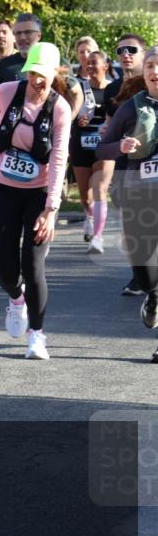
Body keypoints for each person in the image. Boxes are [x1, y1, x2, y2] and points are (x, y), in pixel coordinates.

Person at [0, 43, 72, 360]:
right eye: (32, 73)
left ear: (55, 73)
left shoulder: (60, 109)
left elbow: (59, 158)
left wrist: (51, 209)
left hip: (39, 193)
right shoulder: (6, 92)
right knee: (7, 272)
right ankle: (15, 298)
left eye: (43, 74)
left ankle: (37, 335)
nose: (37, 80)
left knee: (33, 265)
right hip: (3, 188)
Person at [96, 45, 158, 364]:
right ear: (144, 72)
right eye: (150, 65)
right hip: (138, 195)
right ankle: (152, 295)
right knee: (145, 272)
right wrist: (120, 146)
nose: (155, 71)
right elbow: (101, 149)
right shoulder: (131, 107)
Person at [102, 34, 149, 296]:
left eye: (131, 49)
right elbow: (110, 128)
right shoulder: (112, 89)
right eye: (120, 50)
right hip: (126, 165)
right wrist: (108, 133)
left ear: (144, 53)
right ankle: (139, 276)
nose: (125, 54)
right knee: (132, 222)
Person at [0, 13, 43, 172]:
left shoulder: (51, 60)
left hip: (40, 137)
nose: (22, 37)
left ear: (38, 35)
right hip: (7, 132)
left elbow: (76, 93)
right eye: (18, 33)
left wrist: (64, 122)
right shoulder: (5, 65)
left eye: (28, 32)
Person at [70, 50, 112, 252]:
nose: (90, 66)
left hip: (105, 146)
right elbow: (70, 114)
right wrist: (78, 120)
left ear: (105, 66)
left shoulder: (113, 89)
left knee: (100, 188)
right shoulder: (79, 88)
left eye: (94, 63)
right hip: (81, 145)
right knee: (85, 197)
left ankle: (97, 237)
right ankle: (90, 216)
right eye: (88, 63)